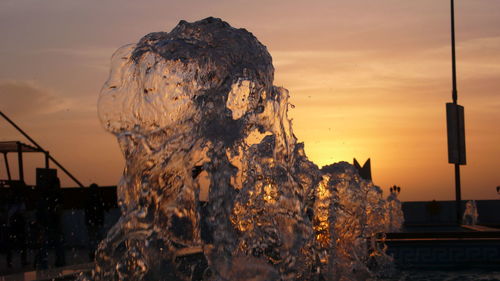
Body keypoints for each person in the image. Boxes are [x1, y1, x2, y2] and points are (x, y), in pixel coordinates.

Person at [5, 183, 28, 268]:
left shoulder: (11, 201)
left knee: (11, 245)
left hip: (13, 225)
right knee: (21, 244)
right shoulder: (18, 202)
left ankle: (10, 262)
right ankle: (22, 260)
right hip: (16, 226)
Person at [84, 183, 105, 261]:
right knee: (98, 239)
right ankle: (98, 253)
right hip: (97, 222)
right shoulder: (98, 200)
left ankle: (93, 254)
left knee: (92, 239)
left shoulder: (89, 200)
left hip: (92, 223)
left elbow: (87, 212)